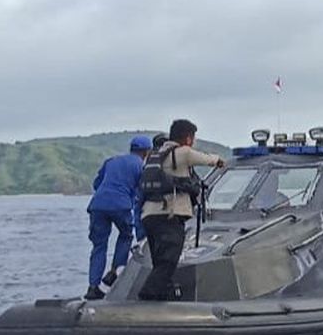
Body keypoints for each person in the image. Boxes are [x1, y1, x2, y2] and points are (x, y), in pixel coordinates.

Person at [138, 118, 225, 301]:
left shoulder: (156, 154)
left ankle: (163, 294)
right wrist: (219, 161)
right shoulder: (184, 152)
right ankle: (148, 293)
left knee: (159, 259)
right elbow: (208, 160)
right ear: (188, 138)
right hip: (170, 214)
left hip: (149, 214)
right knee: (170, 259)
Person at [84, 135, 152, 299]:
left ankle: (93, 287)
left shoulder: (111, 161)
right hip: (121, 205)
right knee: (126, 235)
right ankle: (114, 271)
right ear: (147, 152)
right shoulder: (140, 166)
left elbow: (96, 184)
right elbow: (141, 193)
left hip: (98, 205)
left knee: (99, 246)